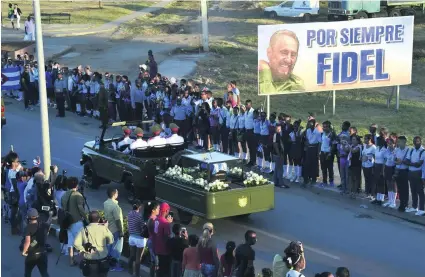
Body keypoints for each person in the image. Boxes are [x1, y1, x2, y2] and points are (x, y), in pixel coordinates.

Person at [259, 30, 305, 94]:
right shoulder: (256, 76)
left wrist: (265, 72)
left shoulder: (297, 83)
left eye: (293, 55)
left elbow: (272, 96)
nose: (288, 60)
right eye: (284, 53)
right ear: (269, 52)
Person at [74, 211, 114, 277]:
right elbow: (111, 240)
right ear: (99, 219)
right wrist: (106, 227)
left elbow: (76, 243)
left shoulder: (84, 229)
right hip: (102, 261)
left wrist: (83, 250)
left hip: (89, 262)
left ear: (89, 219)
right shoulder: (103, 228)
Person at [61, 177, 86, 266]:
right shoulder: (77, 195)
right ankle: (82, 261)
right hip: (77, 221)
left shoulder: (64, 195)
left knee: (70, 242)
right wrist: (86, 218)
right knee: (81, 243)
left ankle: (71, 261)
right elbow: (81, 208)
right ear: (76, 184)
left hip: (68, 221)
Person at [21, 208, 51, 277]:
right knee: (44, 273)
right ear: (37, 216)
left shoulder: (28, 227)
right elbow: (48, 227)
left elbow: (27, 242)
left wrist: (24, 252)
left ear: (28, 217)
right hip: (43, 253)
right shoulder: (43, 225)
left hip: (32, 254)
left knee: (28, 273)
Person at [103, 188, 124, 272]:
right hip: (116, 230)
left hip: (109, 229)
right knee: (117, 249)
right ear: (114, 194)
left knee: (109, 248)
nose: (118, 194)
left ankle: (108, 264)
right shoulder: (115, 207)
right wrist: (121, 231)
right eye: (117, 192)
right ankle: (114, 265)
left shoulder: (105, 203)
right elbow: (118, 220)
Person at [405, 136, 425, 216]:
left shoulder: (423, 151)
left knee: (420, 191)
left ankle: (422, 209)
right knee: (413, 190)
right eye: (414, 141)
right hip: (411, 172)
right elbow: (407, 160)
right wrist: (412, 164)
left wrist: (410, 163)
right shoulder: (411, 150)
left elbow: (418, 164)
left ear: (420, 142)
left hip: (419, 173)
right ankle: (414, 206)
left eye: (416, 141)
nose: (415, 143)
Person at [128, 200, 147, 277]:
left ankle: (130, 270)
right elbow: (143, 227)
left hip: (131, 237)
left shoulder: (129, 214)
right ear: (139, 206)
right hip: (139, 239)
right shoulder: (139, 216)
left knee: (132, 255)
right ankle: (137, 274)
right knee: (138, 257)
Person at [154, 202, 173, 277]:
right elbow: (167, 237)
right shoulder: (165, 223)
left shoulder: (156, 219)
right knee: (164, 270)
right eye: (168, 210)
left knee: (158, 269)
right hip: (164, 251)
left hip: (156, 248)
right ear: (166, 211)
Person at [303, 118, 321, 186]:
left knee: (314, 164)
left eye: (311, 123)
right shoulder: (308, 130)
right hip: (308, 149)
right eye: (309, 123)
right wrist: (307, 144)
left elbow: (319, 142)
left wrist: (318, 152)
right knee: (307, 164)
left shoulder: (317, 132)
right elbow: (307, 139)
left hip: (314, 149)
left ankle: (313, 179)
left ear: (314, 124)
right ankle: (306, 179)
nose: (310, 125)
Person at [394, 136, 409, 212]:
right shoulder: (397, 150)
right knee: (399, 188)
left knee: (405, 188)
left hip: (404, 171)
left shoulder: (408, 150)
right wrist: (397, 161)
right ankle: (401, 203)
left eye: (399, 141)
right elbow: (395, 159)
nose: (398, 143)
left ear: (404, 142)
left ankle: (405, 204)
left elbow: (408, 161)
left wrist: (401, 162)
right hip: (398, 170)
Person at [320, 121, 336, 187]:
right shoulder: (322, 134)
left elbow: (333, 145)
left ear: (329, 127)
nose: (324, 128)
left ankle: (331, 181)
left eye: (326, 127)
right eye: (323, 126)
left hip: (329, 153)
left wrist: (330, 153)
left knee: (330, 168)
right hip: (322, 152)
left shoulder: (332, 134)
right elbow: (321, 143)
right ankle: (324, 181)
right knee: (323, 168)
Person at [146, 202, 160, 277]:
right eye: (158, 208)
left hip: (150, 241)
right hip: (154, 242)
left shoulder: (150, 218)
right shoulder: (155, 220)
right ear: (153, 210)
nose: (159, 210)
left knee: (152, 261)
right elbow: (157, 233)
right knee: (156, 263)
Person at [362, 134, 376, 199]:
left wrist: (374, 166)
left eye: (365, 139)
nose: (364, 140)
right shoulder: (364, 146)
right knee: (366, 179)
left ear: (369, 139)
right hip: (364, 165)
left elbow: (375, 157)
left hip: (370, 166)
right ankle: (367, 193)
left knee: (371, 180)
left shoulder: (373, 147)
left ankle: (372, 194)